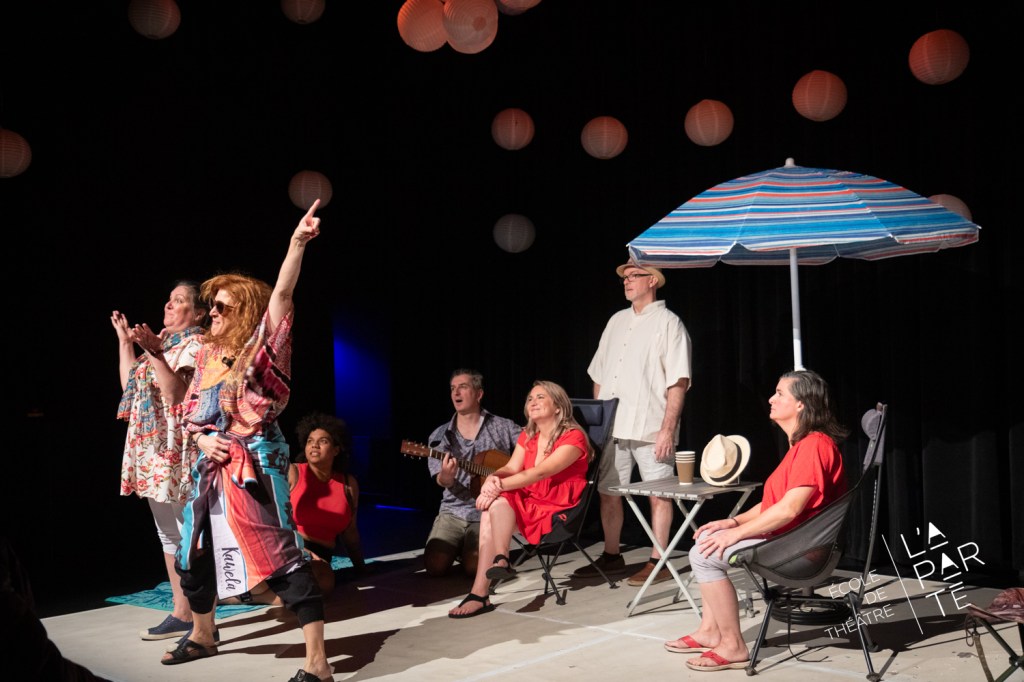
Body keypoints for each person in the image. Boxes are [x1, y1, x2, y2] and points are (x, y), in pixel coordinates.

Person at [163, 199, 333, 682]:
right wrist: (202, 443)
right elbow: (189, 413)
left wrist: (297, 243)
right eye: (212, 305)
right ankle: (203, 634)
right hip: (210, 467)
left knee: (281, 556)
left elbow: (283, 293)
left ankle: (318, 665)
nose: (212, 312)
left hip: (255, 462)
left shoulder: (263, 348)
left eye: (222, 307)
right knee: (192, 554)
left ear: (244, 314)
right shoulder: (205, 356)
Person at [666, 369, 848, 672]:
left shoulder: (814, 446)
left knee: (704, 555)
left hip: (801, 550)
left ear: (801, 404)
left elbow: (789, 509)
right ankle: (710, 631)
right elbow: (774, 504)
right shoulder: (802, 445)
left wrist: (736, 535)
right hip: (791, 541)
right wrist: (733, 523)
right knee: (708, 541)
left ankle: (733, 646)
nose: (771, 399)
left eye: (780, 393)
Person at [578, 259, 692, 587]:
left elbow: (678, 381)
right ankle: (612, 554)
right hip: (613, 427)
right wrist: (598, 422)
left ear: (652, 280)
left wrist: (667, 429)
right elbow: (599, 375)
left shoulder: (669, 323)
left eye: (633, 276)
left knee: (659, 494)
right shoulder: (616, 321)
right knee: (608, 492)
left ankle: (659, 560)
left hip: (651, 426)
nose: (627, 281)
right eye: (624, 277)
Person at [111, 282, 208, 641]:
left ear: (198, 313)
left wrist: (154, 350)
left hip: (178, 446)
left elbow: (174, 393)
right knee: (167, 533)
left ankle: (203, 622)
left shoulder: (196, 344)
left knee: (190, 534)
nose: (168, 305)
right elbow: (130, 388)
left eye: (178, 301)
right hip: (152, 447)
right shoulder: (163, 342)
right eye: (168, 299)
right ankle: (182, 612)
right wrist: (126, 343)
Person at [448, 380, 592, 618]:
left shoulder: (573, 437)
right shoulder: (529, 435)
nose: (533, 402)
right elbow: (511, 467)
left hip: (556, 507)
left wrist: (495, 487)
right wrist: (494, 478)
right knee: (493, 505)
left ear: (558, 406)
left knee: (494, 502)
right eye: (530, 399)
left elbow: (541, 473)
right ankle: (500, 561)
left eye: (540, 397)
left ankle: (481, 592)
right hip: (531, 497)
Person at [223, 411, 365, 605]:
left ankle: (251, 594)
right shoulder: (293, 471)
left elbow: (350, 532)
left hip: (322, 556)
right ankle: (258, 595)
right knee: (309, 585)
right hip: (290, 546)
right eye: (310, 441)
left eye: (323, 441)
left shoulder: (348, 484)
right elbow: (270, 516)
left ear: (336, 449)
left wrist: (360, 568)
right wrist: (300, 549)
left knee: (322, 582)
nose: (314, 445)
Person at [424, 368, 521, 577]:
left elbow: (530, 446)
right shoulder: (441, 435)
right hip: (453, 510)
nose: (456, 392)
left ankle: (471, 549)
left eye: (463, 387)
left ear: (479, 394)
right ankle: (462, 545)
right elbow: (441, 479)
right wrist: (446, 478)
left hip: (488, 509)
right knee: (434, 566)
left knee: (475, 568)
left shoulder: (502, 426)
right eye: (452, 388)